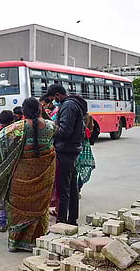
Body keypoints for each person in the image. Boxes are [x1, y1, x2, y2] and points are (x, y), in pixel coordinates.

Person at [0, 97, 56, 252]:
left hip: (20, 178)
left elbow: (1, 155)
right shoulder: (51, 126)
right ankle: (37, 239)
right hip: (45, 176)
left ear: (23, 112)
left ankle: (16, 242)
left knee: (18, 208)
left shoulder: (11, 130)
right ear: (40, 110)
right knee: (39, 207)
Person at [46, 84, 87, 226]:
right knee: (72, 186)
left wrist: (51, 127)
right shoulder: (71, 104)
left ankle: (62, 220)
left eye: (53, 99)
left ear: (58, 95)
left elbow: (65, 131)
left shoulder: (68, 106)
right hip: (71, 150)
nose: (53, 102)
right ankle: (72, 219)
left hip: (66, 150)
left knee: (63, 188)